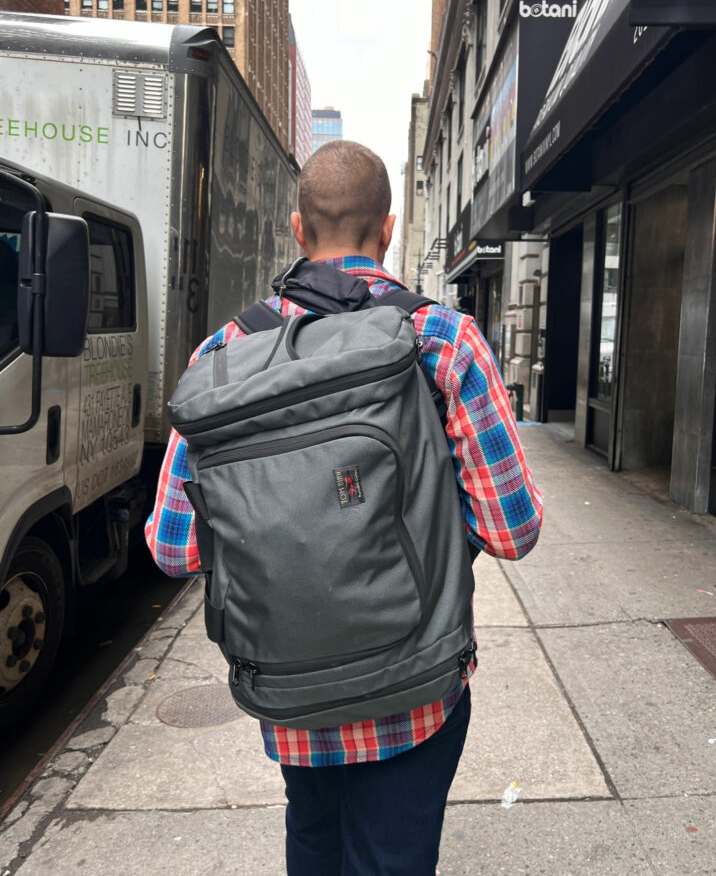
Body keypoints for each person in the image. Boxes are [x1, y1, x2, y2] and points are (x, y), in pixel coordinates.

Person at [145, 139, 543, 876]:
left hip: (289, 686)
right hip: (417, 685)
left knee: (315, 840)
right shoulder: (444, 340)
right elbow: (511, 529)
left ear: (297, 230)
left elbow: (174, 548)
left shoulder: (223, 356)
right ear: (387, 229)